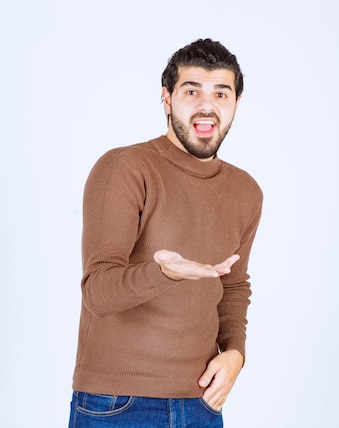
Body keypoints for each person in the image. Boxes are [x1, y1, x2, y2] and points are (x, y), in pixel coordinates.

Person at [68, 38, 263, 428]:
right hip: (117, 404)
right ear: (167, 98)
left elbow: (234, 286)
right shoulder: (125, 168)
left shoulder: (245, 190)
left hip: (201, 404)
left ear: (235, 105)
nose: (207, 105)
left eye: (221, 93)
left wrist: (235, 354)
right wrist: (165, 273)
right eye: (192, 91)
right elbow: (98, 292)